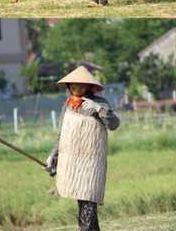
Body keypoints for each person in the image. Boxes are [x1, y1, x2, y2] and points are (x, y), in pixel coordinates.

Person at [45, 66, 120, 231]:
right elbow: (61, 135)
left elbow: (114, 124)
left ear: (87, 86)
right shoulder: (68, 106)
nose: (75, 88)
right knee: (84, 205)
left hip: (91, 162)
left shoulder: (99, 103)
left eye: (79, 84)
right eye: (73, 85)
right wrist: (53, 156)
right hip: (73, 162)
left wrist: (98, 109)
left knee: (88, 200)